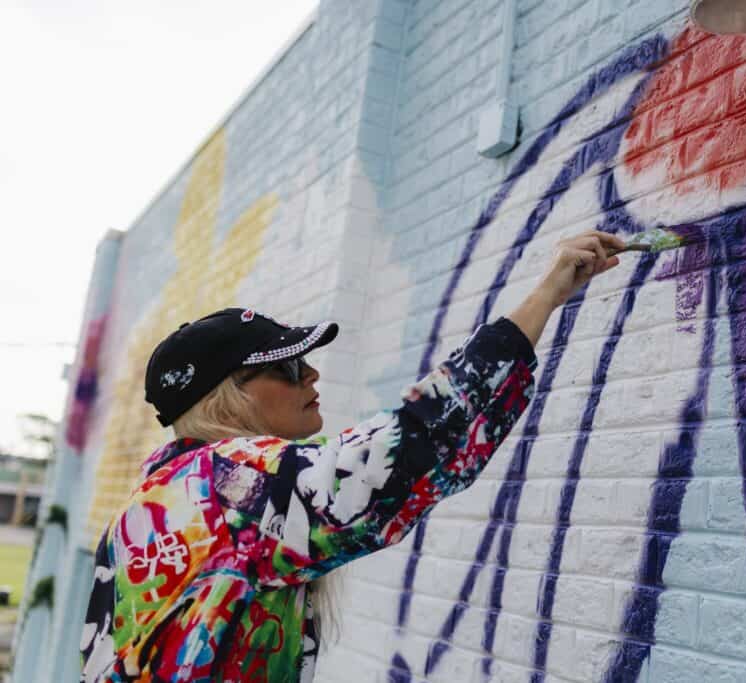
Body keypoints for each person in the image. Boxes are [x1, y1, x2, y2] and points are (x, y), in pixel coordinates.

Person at [80, 230, 627, 682]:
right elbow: (404, 455)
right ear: (230, 393)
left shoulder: (145, 510)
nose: (312, 375)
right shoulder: (228, 486)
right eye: (290, 367)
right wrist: (547, 295)